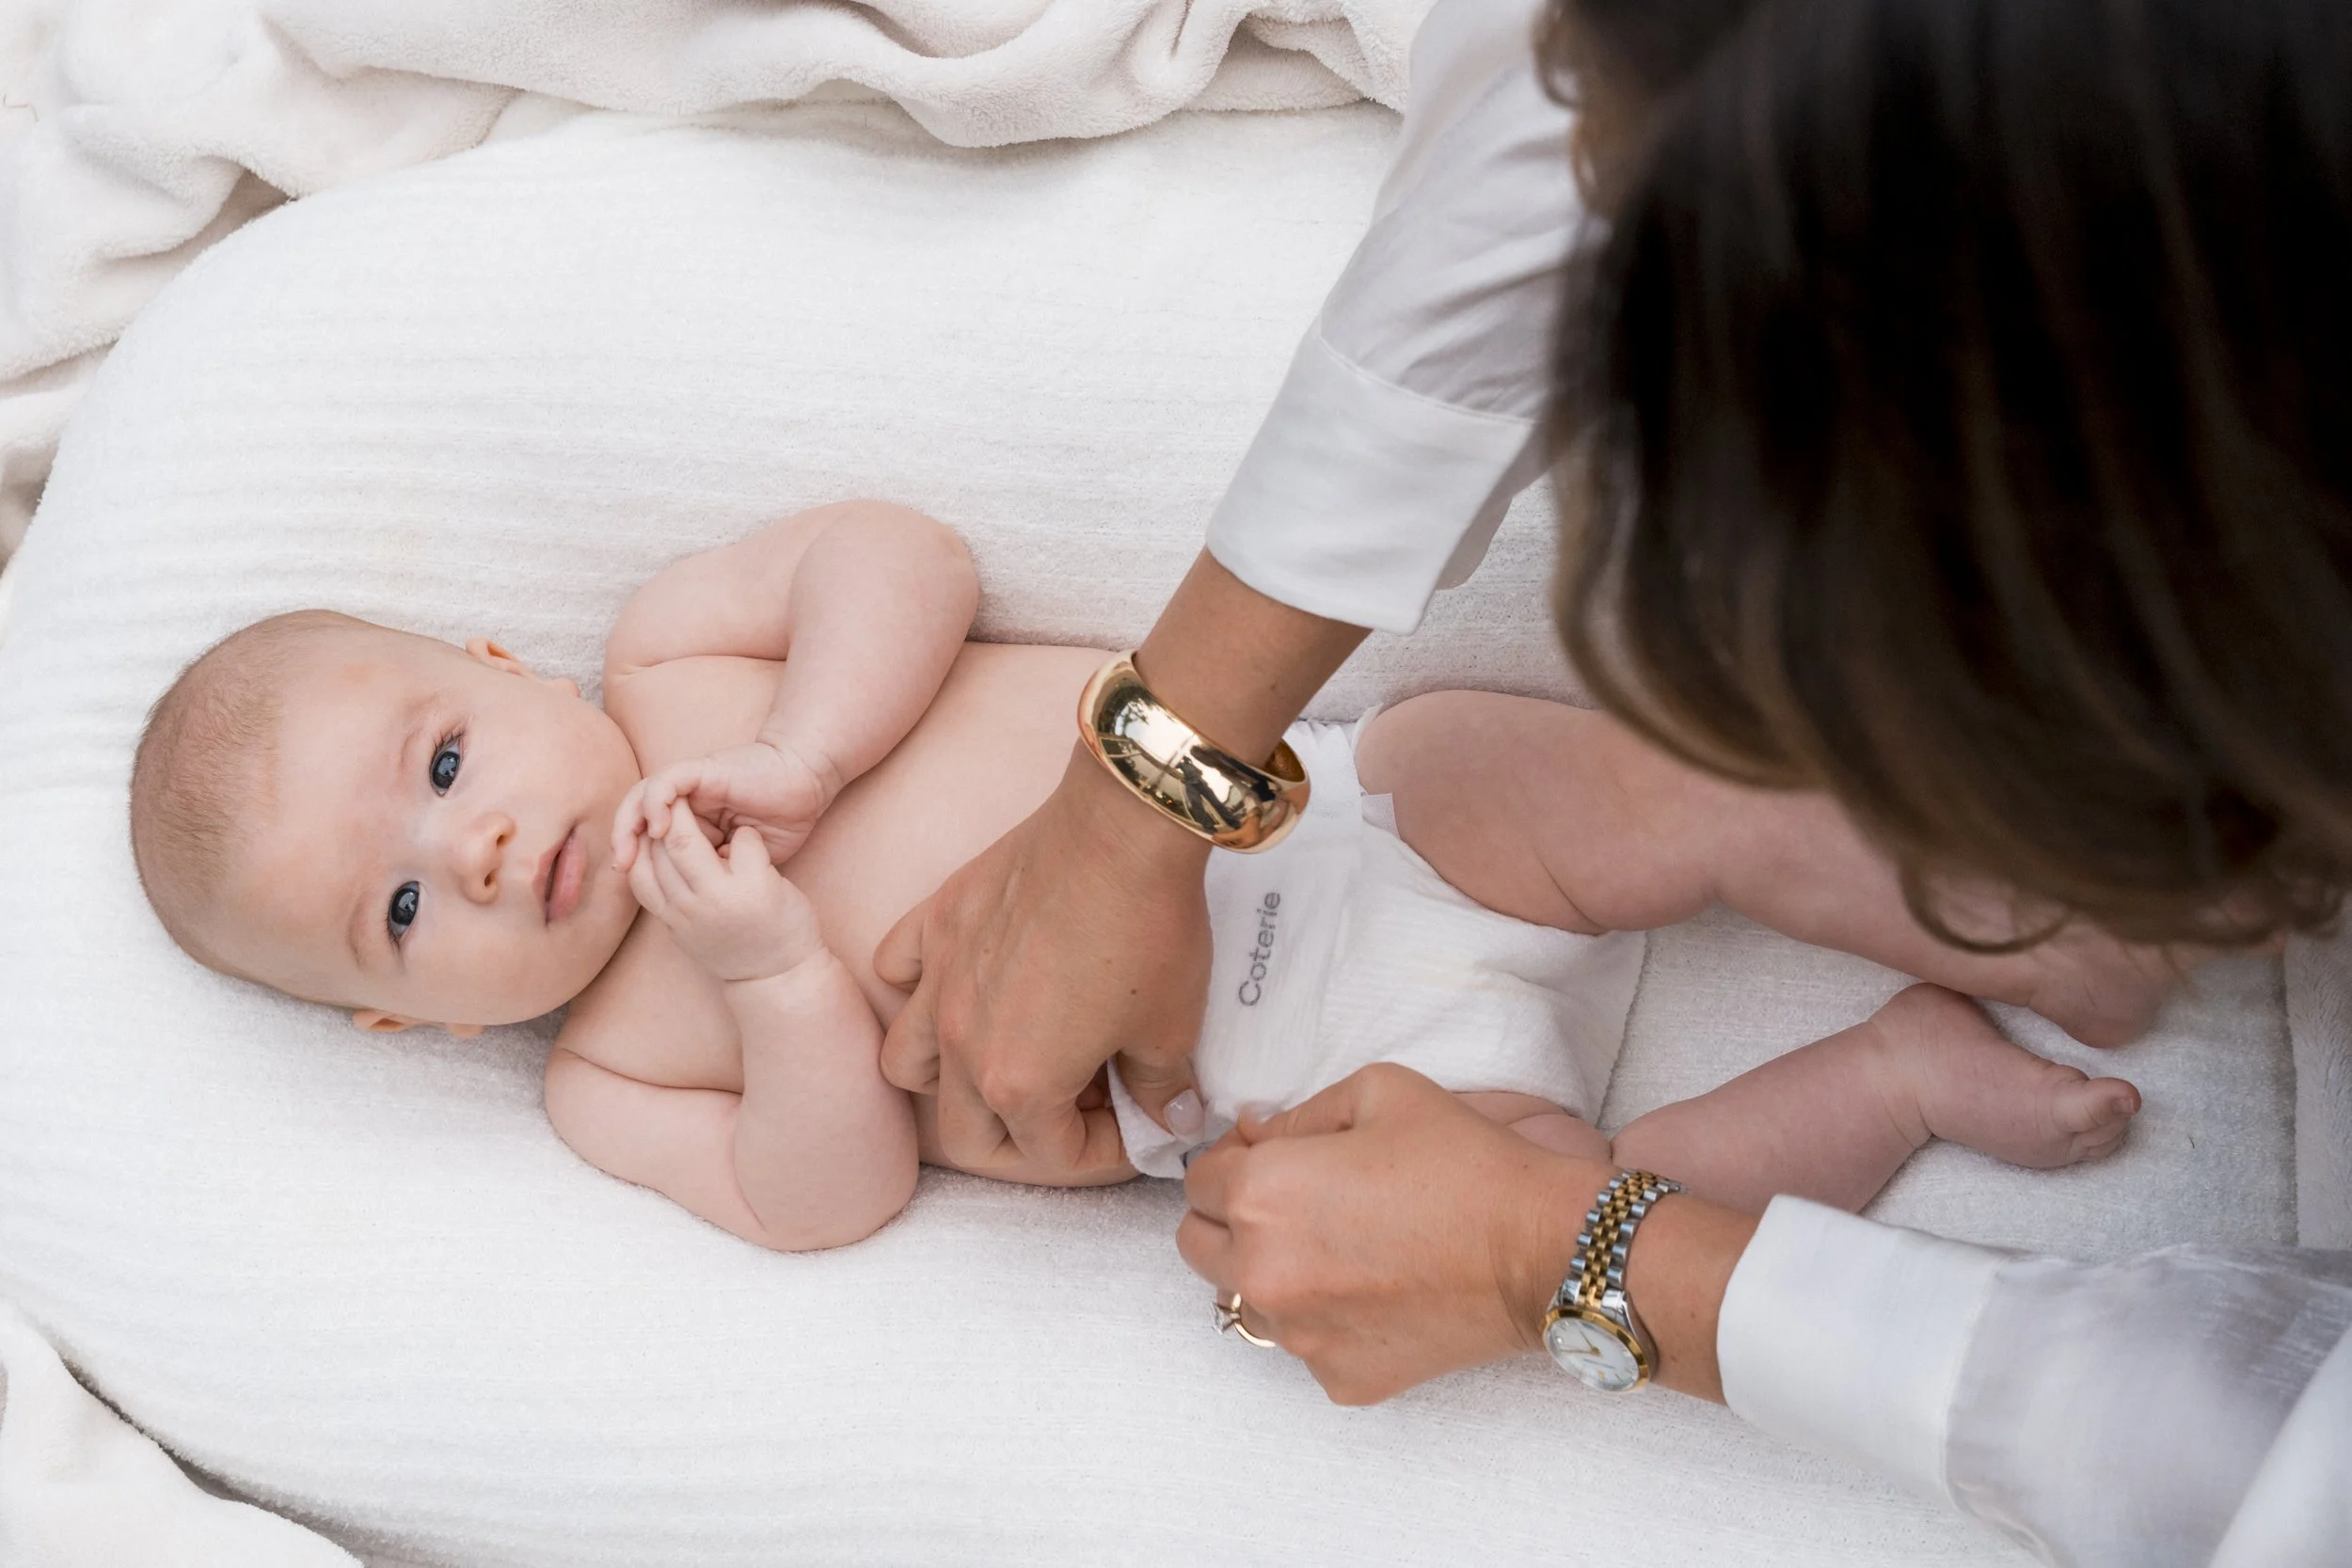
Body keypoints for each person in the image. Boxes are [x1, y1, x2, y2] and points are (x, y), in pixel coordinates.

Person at [856, 0, 2352, 1562]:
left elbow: (2218, 1456)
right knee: (1601, 1142)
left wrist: (1545, 1260)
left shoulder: (692, 688)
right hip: (1388, 1088)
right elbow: (1579, 82)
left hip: (1385, 839)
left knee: (1583, 796)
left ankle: (1826, 869)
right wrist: (1137, 786)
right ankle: (1889, 1051)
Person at [127, 503, 2149, 1253]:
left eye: (445, 764)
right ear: (401, 1021)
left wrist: (811, 752)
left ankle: (1955, 883)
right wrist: (767, 984)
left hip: (1343, 817)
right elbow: (818, 1200)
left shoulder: (679, 657)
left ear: (494, 665)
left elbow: (898, 553)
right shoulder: (610, 1074)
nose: (470, 852)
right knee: (1571, 1231)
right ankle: (1890, 1076)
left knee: (1591, 776)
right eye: (399, 913)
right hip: (1299, 1105)